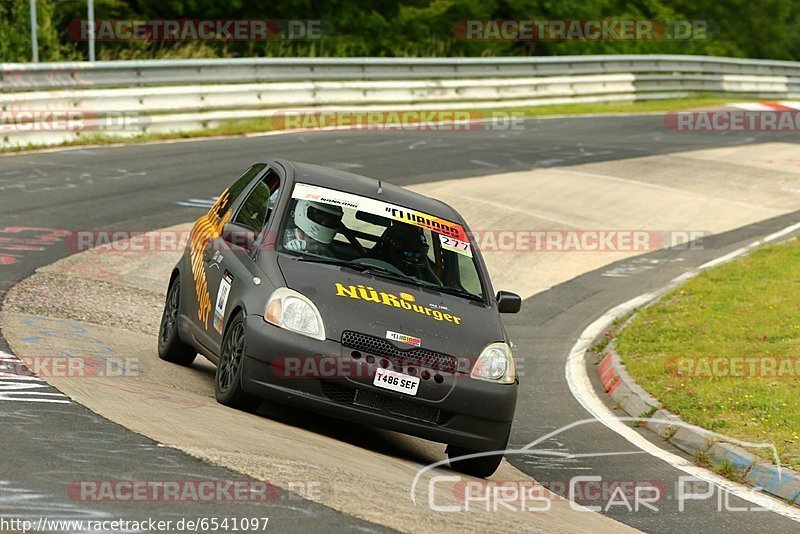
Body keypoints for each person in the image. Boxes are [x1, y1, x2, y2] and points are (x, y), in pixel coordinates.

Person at [374, 223, 442, 284]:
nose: (416, 259)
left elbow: (439, 286)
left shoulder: (425, 276)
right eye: (409, 254)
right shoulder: (370, 269)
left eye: (419, 254)